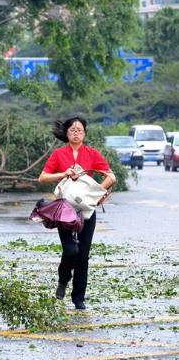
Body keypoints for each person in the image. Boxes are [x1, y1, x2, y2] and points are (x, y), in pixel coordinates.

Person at [38, 116, 116, 310]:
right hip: (64, 210)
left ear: (85, 133)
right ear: (67, 133)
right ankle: (63, 279)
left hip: (86, 210)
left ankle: (78, 298)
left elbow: (111, 176)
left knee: (83, 255)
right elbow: (43, 178)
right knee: (71, 250)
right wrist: (63, 174)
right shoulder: (58, 154)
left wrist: (97, 194)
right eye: (72, 129)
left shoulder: (92, 153)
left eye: (79, 129)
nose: (75, 132)